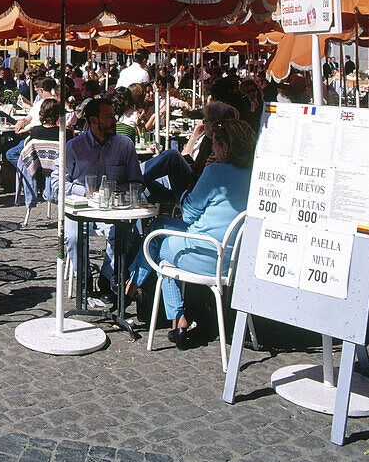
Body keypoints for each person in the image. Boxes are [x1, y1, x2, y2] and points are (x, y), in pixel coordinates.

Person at [128, 119, 256, 348]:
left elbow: (187, 214)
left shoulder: (215, 172)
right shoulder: (255, 175)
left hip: (201, 253)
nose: (212, 150)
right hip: (233, 259)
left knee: (160, 247)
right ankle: (135, 286)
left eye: (214, 145)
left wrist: (203, 175)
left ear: (225, 148)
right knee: (159, 226)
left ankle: (172, 314)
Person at [62, 97, 145, 295]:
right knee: (73, 237)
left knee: (124, 234)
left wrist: (121, 193)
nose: (114, 121)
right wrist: (84, 192)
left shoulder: (124, 145)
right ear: (93, 121)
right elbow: (58, 184)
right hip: (81, 207)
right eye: (109, 117)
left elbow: (137, 182)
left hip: (113, 209)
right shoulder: (74, 147)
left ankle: (107, 277)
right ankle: (84, 280)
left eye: (114, 116)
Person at [14, 97, 62, 209]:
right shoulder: (65, 132)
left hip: (38, 172)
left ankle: (31, 200)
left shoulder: (35, 131)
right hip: (59, 171)